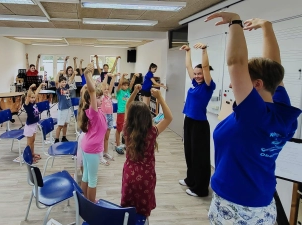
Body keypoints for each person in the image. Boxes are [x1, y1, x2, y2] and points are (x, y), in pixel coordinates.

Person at [205, 13, 302, 224]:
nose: (232, 85)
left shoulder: (254, 115)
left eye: (241, 81)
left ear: (257, 84)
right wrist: (267, 28)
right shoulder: (282, 111)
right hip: (262, 203)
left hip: (237, 207)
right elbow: (274, 69)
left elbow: (236, 62)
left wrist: (235, 23)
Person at [121, 85, 173, 218]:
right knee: (143, 210)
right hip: (146, 176)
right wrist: (160, 97)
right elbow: (168, 118)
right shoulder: (152, 132)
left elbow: (128, 105)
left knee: (127, 209)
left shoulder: (127, 129)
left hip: (130, 173)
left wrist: (135, 92)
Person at [178, 42, 215, 198]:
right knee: (189, 153)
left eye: (200, 73)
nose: (197, 76)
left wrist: (204, 50)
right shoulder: (194, 83)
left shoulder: (208, 86)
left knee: (199, 157)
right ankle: (191, 179)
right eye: (196, 73)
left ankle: (200, 189)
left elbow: (205, 68)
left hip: (200, 124)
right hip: (189, 121)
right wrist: (188, 52)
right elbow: (188, 67)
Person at [79, 62, 107, 203]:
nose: (101, 99)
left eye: (101, 97)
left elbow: (96, 89)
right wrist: (86, 74)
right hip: (91, 149)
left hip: (87, 146)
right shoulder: (94, 112)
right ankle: (91, 204)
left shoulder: (98, 111)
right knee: (92, 179)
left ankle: (84, 201)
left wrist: (91, 75)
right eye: (98, 97)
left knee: (86, 176)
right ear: (91, 100)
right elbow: (91, 91)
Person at [19, 83, 45, 163]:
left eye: (34, 97)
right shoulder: (27, 105)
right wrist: (30, 88)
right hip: (29, 126)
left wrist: (40, 85)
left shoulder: (33, 103)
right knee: (29, 143)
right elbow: (28, 96)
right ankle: (28, 157)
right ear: (28, 98)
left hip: (34, 124)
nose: (33, 99)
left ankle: (32, 154)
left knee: (33, 141)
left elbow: (36, 93)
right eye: (31, 97)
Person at [99, 72, 119, 166]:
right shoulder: (101, 97)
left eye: (108, 89)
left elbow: (111, 86)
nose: (106, 90)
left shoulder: (109, 95)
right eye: (105, 89)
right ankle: (100, 156)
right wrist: (106, 76)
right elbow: (104, 84)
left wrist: (114, 77)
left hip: (110, 116)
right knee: (102, 137)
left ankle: (105, 152)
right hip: (103, 116)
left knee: (107, 137)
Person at [115, 73, 136, 154]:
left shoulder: (128, 90)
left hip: (129, 113)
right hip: (121, 113)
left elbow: (131, 83)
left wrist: (134, 76)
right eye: (124, 85)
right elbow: (120, 84)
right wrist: (122, 76)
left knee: (128, 129)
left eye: (127, 85)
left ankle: (126, 144)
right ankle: (118, 144)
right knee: (119, 129)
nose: (126, 86)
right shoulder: (119, 92)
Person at [54, 74, 72, 143]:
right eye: (62, 82)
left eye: (65, 82)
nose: (64, 83)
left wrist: (73, 74)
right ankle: (56, 139)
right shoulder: (59, 89)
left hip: (68, 108)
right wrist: (58, 73)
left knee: (65, 124)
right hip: (62, 109)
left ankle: (64, 137)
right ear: (60, 83)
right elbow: (56, 82)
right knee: (60, 125)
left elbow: (70, 80)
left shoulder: (66, 87)